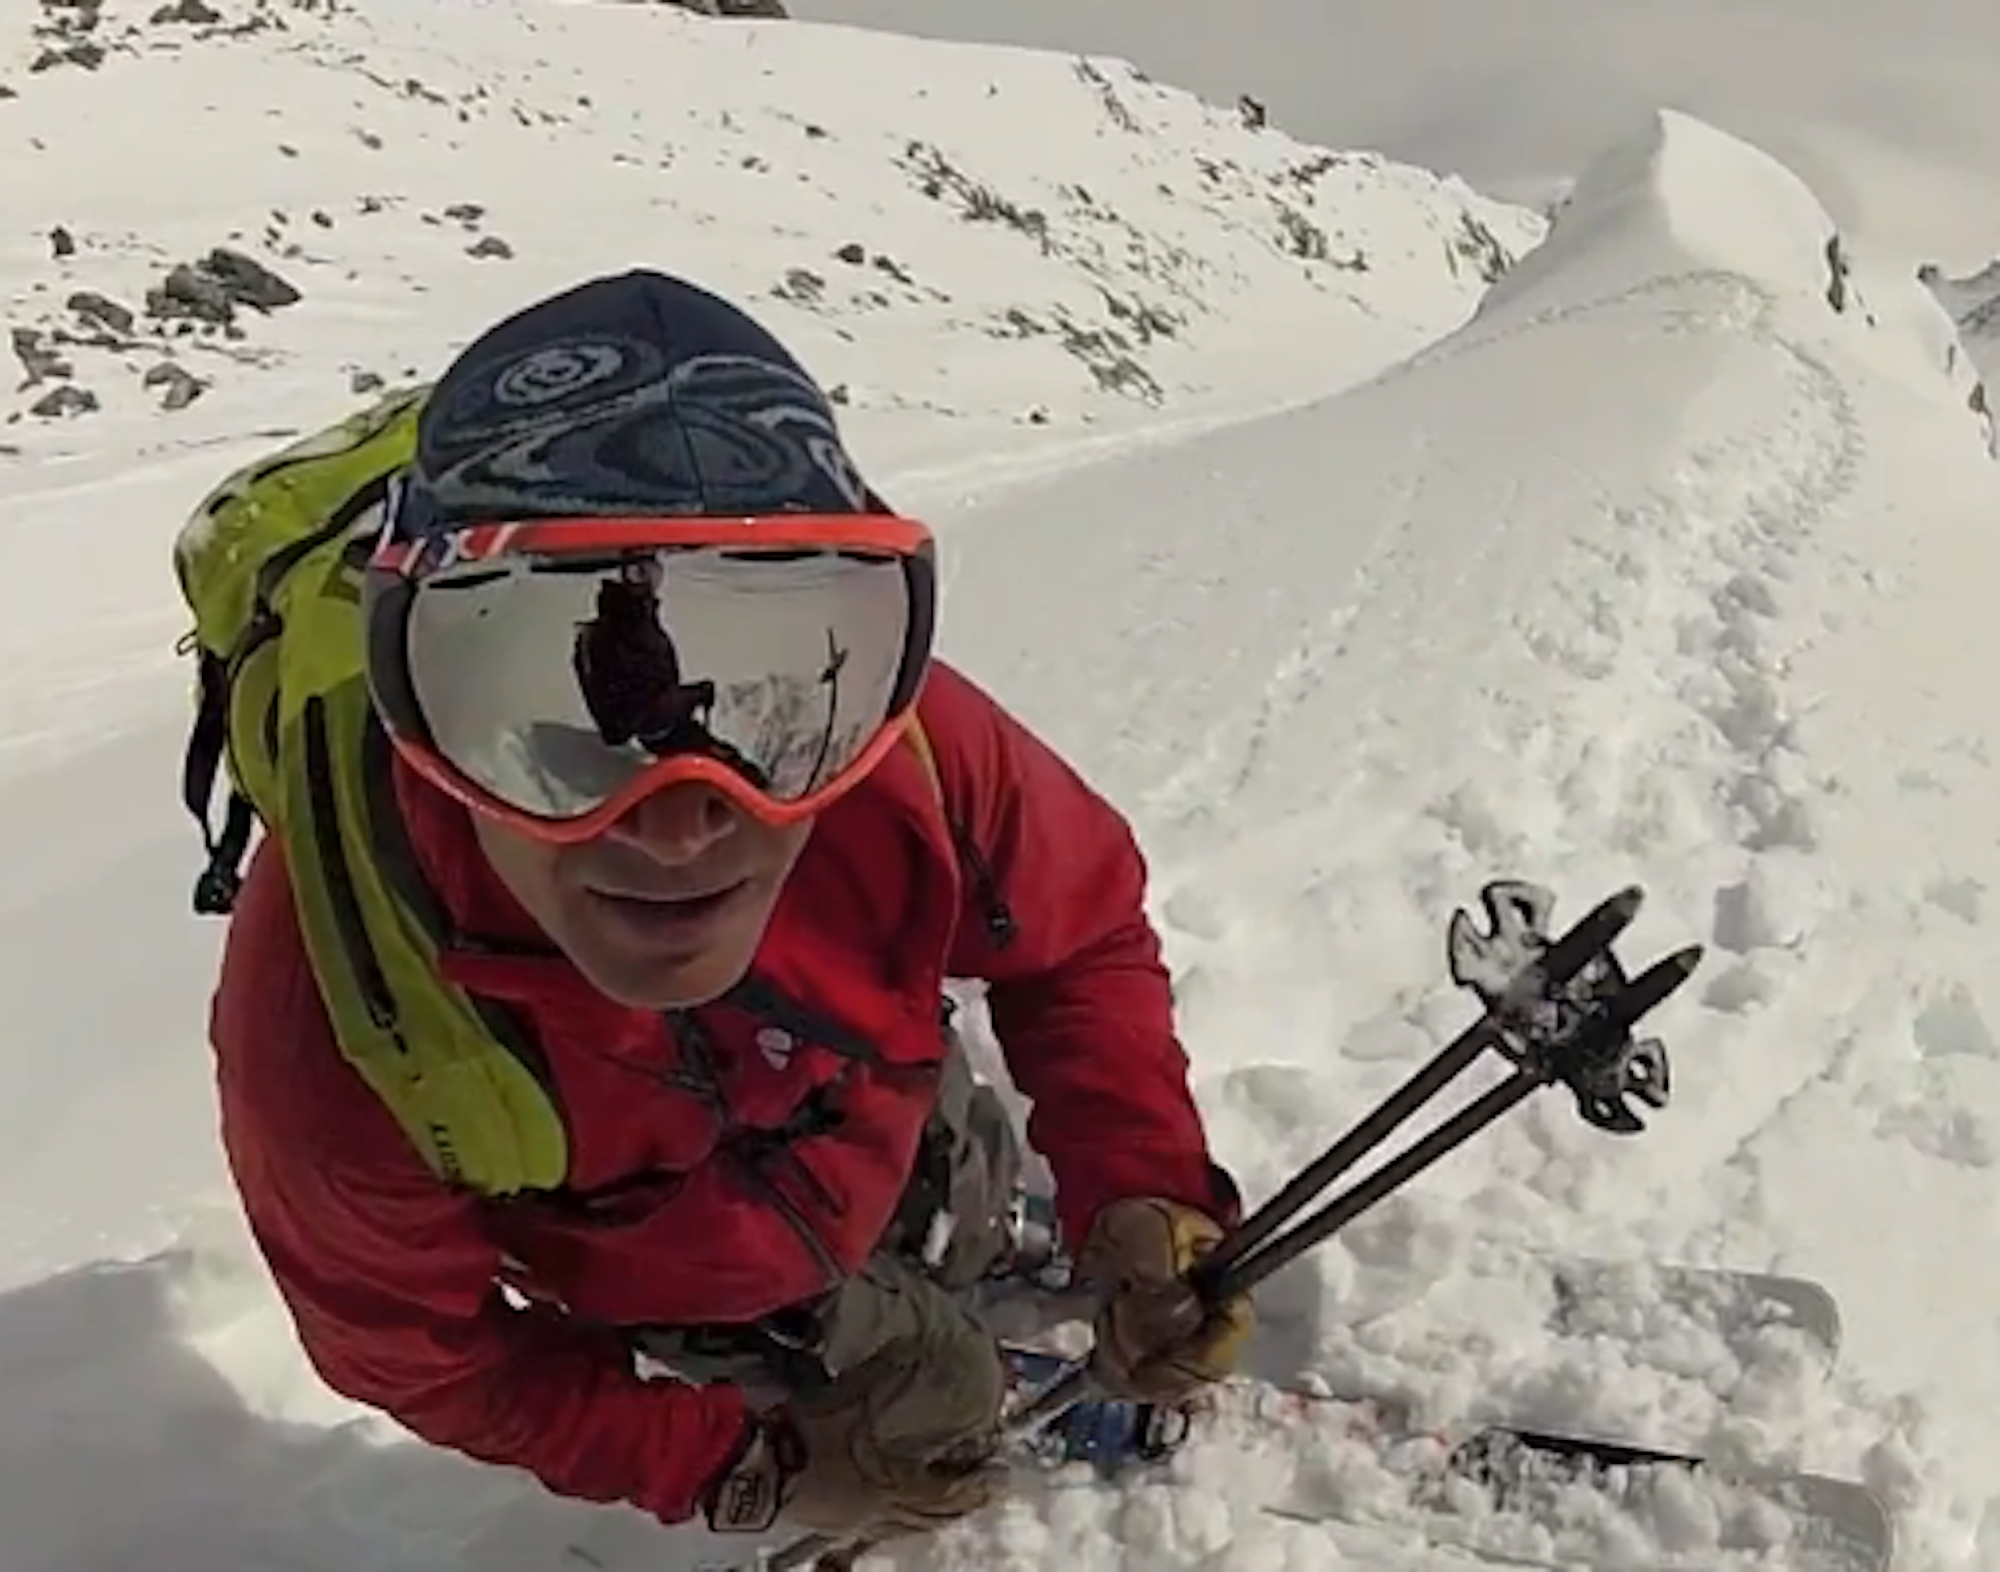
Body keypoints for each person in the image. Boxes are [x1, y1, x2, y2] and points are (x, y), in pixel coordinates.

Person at [197, 267, 1255, 1549]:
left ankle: (961, 1248)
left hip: (860, 1101)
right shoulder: (341, 1013)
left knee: (955, 1204)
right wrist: (734, 1464)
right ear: (415, 717)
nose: (684, 816)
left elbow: (1077, 933)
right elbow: (420, 1356)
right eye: (533, 713)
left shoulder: (901, 759)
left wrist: (1135, 1182)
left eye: (775, 692)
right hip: (683, 1270)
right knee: (926, 1396)